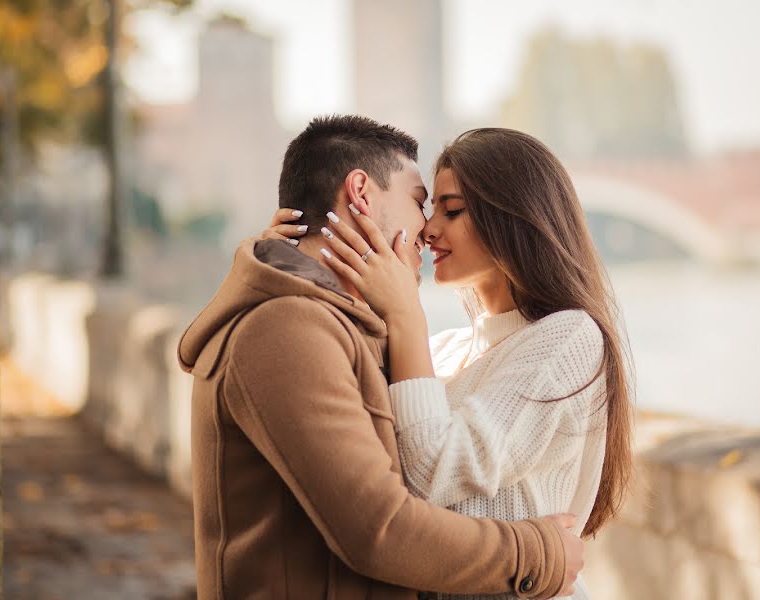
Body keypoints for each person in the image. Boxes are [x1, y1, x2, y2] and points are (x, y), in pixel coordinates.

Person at [177, 116, 584, 600]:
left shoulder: (327, 324)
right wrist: (539, 553)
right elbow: (381, 529)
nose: (427, 228)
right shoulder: (288, 328)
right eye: (419, 203)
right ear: (361, 193)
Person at [266, 127, 634, 600]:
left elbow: (428, 474)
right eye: (430, 207)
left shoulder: (569, 339)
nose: (429, 227)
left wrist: (404, 313)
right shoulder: (442, 351)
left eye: (452, 209)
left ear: (515, 216)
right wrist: (290, 265)